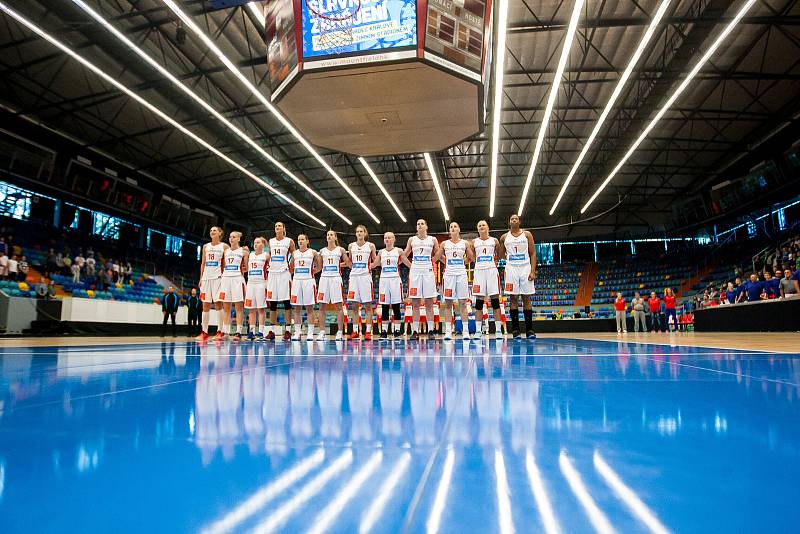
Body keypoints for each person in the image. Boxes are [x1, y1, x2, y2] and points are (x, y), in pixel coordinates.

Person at [498, 214, 537, 339]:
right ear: (509, 222)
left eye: (516, 218)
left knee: (526, 298)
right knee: (513, 298)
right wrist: (510, 260)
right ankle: (515, 330)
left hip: (525, 268)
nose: (514, 220)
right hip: (511, 269)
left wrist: (532, 271)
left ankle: (529, 330)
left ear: (519, 222)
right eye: (511, 219)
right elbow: (500, 255)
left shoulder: (527, 234)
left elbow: (533, 253)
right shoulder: (504, 237)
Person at [435, 221, 474, 340]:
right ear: (450, 231)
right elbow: (437, 257)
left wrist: (463, 262)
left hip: (461, 274)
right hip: (449, 275)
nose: (452, 228)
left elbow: (471, 258)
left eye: (455, 226)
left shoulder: (465, 243)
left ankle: (466, 331)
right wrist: (446, 261)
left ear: (459, 229)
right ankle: (448, 331)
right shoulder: (444, 244)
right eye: (451, 227)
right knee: (448, 303)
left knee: (463, 303)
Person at [404, 219, 440, 340]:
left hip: (428, 272)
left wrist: (432, 262)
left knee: (429, 303)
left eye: (422, 223)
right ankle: (415, 331)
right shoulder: (411, 239)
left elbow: (438, 254)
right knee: (415, 303)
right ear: (416, 227)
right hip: (415, 272)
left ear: (426, 226)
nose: (420, 225)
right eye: (418, 224)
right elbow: (404, 254)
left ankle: (430, 330)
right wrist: (411, 265)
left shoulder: (432, 239)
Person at [372, 231, 411, 340]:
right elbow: (375, 264)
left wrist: (415, 268)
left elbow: (407, 262)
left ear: (394, 239)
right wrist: (363, 267)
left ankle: (397, 331)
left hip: (395, 280)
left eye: (389, 237)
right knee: (384, 306)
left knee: (396, 306)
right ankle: (384, 331)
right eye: (385, 238)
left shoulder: (398, 251)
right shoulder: (381, 252)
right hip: (384, 281)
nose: (387, 239)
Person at [471, 220, 505, 339]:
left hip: (491, 270)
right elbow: (473, 257)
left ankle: (498, 331)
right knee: (479, 303)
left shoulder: (494, 241)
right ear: (477, 229)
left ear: (488, 227)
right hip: (479, 271)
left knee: (495, 302)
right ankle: (478, 331)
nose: (481, 227)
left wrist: (494, 261)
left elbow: (499, 254)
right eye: (479, 225)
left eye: (483, 225)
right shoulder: (474, 242)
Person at [196, 226, 229, 342]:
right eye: (210, 230)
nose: (212, 232)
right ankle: (204, 332)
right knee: (205, 305)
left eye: (214, 230)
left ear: (220, 233)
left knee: (218, 304)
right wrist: (201, 278)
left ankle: (220, 331)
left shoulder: (224, 246)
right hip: (206, 278)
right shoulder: (206, 246)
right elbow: (203, 263)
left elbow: (227, 263)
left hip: (218, 278)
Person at [346, 225, 377, 340]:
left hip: (365, 277)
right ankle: (355, 331)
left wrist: (370, 267)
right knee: (354, 306)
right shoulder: (351, 246)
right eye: (357, 231)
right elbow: (349, 261)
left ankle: (368, 331)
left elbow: (376, 260)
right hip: (354, 277)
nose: (359, 233)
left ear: (365, 233)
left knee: (368, 305)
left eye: (361, 231)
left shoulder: (370, 246)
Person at [266, 222, 295, 341]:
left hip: (284, 273)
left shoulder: (289, 241)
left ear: (284, 228)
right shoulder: (271, 241)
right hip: (272, 273)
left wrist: (291, 267)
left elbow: (295, 254)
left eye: (279, 226)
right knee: (272, 303)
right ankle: (272, 331)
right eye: (275, 226)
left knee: (287, 302)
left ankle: (287, 331)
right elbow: (270, 255)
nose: (277, 227)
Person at [316, 230, 346, 341]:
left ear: (335, 237)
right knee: (321, 306)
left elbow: (347, 262)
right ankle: (322, 332)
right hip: (324, 279)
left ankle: (339, 332)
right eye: (328, 235)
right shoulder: (322, 251)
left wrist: (339, 265)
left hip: (336, 279)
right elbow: (319, 266)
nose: (329, 236)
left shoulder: (341, 250)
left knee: (339, 306)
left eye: (331, 235)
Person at [220, 231, 248, 341]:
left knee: (238, 307)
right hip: (226, 279)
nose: (231, 238)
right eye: (230, 236)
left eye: (234, 237)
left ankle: (238, 332)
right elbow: (223, 266)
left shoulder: (243, 251)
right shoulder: (225, 251)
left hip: (237, 279)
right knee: (226, 307)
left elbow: (246, 267)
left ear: (239, 239)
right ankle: (225, 332)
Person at [290, 234, 318, 341]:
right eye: (298, 239)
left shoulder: (313, 252)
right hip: (297, 281)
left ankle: (310, 333)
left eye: (302, 239)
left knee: (309, 308)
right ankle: (297, 333)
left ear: (307, 241)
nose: (300, 241)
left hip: (308, 281)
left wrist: (312, 272)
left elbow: (319, 266)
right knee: (297, 308)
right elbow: (291, 267)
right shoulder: (294, 253)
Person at [244, 237, 269, 340]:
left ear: (263, 244)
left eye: (258, 242)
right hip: (250, 283)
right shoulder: (250, 255)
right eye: (254, 242)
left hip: (261, 283)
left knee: (261, 309)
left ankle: (261, 333)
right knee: (251, 309)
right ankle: (251, 332)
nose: (255, 244)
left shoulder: (266, 255)